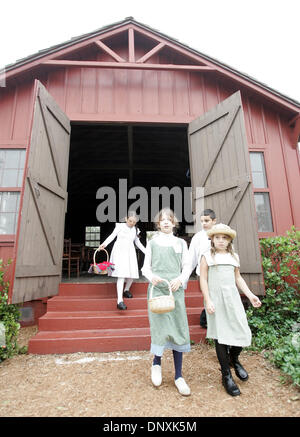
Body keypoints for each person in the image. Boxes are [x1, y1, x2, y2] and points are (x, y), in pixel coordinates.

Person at [199, 223, 262, 396]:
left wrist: (250, 295)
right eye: (217, 237)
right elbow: (203, 279)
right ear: (212, 239)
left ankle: (233, 358)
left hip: (232, 298)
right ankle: (226, 375)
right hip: (216, 300)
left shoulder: (234, 257)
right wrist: (208, 300)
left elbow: (238, 278)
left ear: (229, 241)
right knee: (221, 337)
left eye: (224, 238)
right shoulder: (206, 256)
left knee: (242, 331)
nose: (220, 240)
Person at [142, 208, 191, 396]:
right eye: (162, 220)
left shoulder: (180, 243)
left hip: (175, 290)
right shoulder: (152, 243)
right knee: (160, 328)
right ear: (158, 223)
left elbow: (187, 266)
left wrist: (180, 279)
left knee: (178, 328)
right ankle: (156, 363)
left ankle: (179, 376)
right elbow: (145, 268)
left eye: (169, 220)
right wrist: (152, 277)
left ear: (174, 222)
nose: (165, 222)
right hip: (157, 290)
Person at [98, 211, 146, 310]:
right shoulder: (119, 226)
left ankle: (126, 290)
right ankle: (119, 301)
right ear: (125, 219)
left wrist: (146, 252)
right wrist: (104, 244)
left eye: (134, 222)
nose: (131, 223)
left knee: (133, 273)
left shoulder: (136, 230)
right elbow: (112, 236)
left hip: (130, 252)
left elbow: (138, 243)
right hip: (119, 251)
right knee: (121, 275)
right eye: (130, 221)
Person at [187, 209, 217, 328]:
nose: (204, 223)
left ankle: (210, 319)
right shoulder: (197, 237)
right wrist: (185, 277)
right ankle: (206, 319)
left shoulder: (220, 234)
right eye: (201, 221)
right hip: (203, 273)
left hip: (217, 271)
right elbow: (192, 259)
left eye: (207, 220)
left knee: (217, 296)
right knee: (207, 295)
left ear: (214, 221)